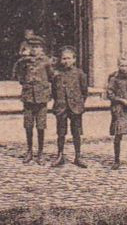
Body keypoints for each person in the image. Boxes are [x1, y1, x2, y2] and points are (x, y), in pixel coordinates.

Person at [14, 34, 52, 163]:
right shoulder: (24, 62)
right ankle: (29, 151)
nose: (35, 50)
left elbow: (52, 77)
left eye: (37, 47)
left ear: (42, 49)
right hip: (28, 97)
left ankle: (40, 152)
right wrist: (24, 83)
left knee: (41, 126)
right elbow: (18, 74)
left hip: (42, 98)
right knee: (28, 125)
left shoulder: (47, 62)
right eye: (32, 47)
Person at [50, 45, 89, 168]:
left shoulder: (79, 74)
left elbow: (84, 92)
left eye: (68, 58)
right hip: (61, 107)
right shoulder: (57, 75)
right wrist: (58, 103)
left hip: (75, 107)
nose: (66, 61)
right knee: (61, 133)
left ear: (74, 59)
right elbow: (53, 91)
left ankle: (78, 156)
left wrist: (79, 103)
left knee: (76, 132)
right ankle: (60, 155)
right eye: (64, 58)